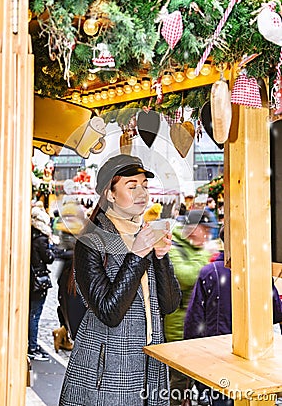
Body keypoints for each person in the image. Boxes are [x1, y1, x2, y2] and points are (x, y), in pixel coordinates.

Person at [59, 154, 181, 406]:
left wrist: (161, 258)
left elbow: (169, 306)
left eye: (145, 186)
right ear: (111, 194)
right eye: (132, 186)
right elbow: (109, 312)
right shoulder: (91, 241)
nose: (142, 193)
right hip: (108, 364)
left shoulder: (146, 233)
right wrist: (136, 255)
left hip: (152, 360)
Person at [184, 226, 282, 406]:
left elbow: (193, 323)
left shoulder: (210, 272)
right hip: (256, 357)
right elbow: (276, 313)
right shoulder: (260, 272)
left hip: (217, 359)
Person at [164, 209, 217, 406]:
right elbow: (185, 276)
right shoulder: (173, 246)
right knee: (179, 386)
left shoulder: (198, 249)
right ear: (193, 230)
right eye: (205, 230)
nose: (208, 236)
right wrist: (207, 258)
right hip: (179, 331)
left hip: (200, 332)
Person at [52, 201, 87, 352]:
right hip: (72, 273)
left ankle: (64, 334)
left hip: (69, 273)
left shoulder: (67, 226)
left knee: (69, 307)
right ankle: (66, 335)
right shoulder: (75, 229)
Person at [28, 204, 56, 361]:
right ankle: (32, 347)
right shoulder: (41, 239)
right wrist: (51, 246)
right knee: (35, 314)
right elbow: (49, 258)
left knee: (30, 313)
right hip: (39, 281)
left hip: (30, 279)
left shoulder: (29, 235)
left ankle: (30, 344)